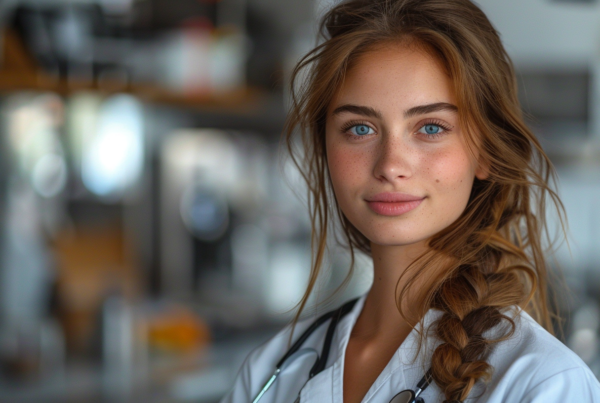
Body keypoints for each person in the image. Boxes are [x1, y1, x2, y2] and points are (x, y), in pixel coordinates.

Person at [221, 0, 600, 402]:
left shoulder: (545, 384)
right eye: (360, 128)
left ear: (486, 151)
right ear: (325, 148)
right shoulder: (271, 372)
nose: (390, 165)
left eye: (431, 127)